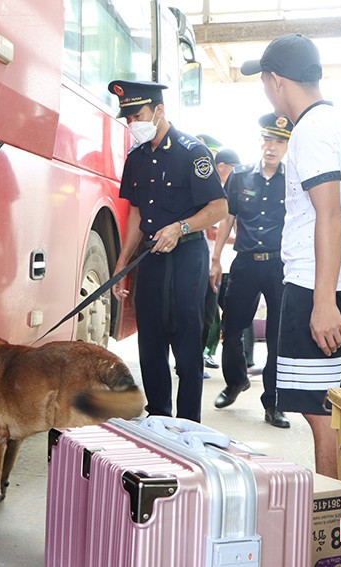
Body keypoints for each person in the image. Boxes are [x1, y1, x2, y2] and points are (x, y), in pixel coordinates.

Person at [241, 34, 341, 477]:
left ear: (276, 80)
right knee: (329, 407)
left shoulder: (311, 130)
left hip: (320, 285)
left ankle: (334, 529)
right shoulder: (335, 123)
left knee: (320, 414)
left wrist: (323, 301)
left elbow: (328, 216)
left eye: (263, 79)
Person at [108, 80, 228, 423]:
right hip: (152, 259)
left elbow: (218, 207)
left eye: (139, 115)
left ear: (159, 110)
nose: (133, 124)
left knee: (187, 345)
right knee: (150, 340)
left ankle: (189, 425)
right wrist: (121, 264)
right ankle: (159, 418)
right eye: (128, 118)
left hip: (187, 258)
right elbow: (134, 213)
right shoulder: (137, 157)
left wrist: (182, 227)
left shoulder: (192, 152)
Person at [210, 113, 294, 429]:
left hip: (279, 267)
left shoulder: (294, 178)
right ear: (260, 141)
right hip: (245, 263)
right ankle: (235, 381)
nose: (272, 147)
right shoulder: (240, 176)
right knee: (232, 327)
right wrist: (216, 258)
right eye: (268, 140)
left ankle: (273, 403)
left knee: (277, 335)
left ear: (287, 146)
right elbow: (228, 219)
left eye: (280, 141)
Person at [203, 148, 242, 370]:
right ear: (221, 166)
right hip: (209, 261)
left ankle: (212, 353)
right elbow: (211, 231)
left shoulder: (232, 193)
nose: (235, 172)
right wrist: (238, 239)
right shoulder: (211, 191)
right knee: (209, 313)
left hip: (226, 264)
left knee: (226, 313)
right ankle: (202, 354)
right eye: (232, 166)